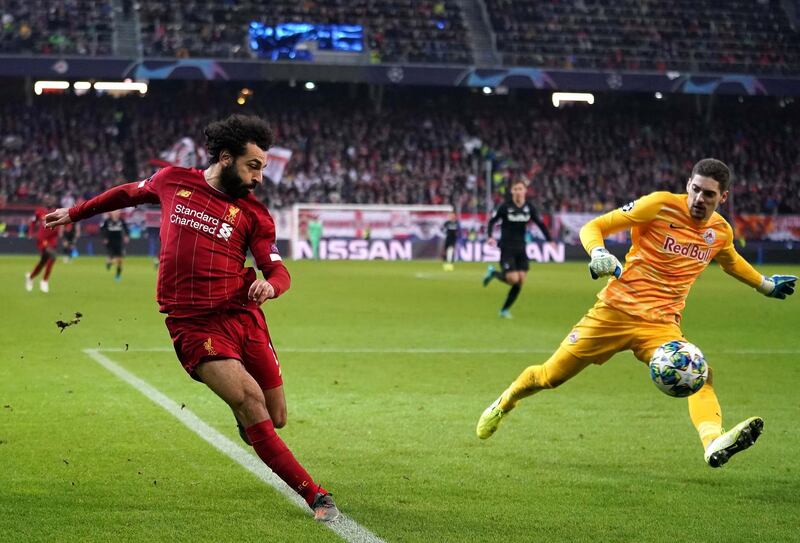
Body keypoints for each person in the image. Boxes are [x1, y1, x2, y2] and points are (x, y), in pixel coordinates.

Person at [45, 114, 340, 521]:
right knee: (251, 402)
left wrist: (272, 286)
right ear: (225, 157)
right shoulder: (172, 181)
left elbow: (277, 269)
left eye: (263, 168)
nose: (258, 177)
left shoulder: (254, 214)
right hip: (194, 324)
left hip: (244, 317)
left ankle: (249, 424)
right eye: (252, 166)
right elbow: (128, 193)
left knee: (277, 417)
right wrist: (76, 212)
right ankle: (316, 496)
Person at [476, 158, 797, 468]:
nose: (699, 198)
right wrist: (598, 251)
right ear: (688, 184)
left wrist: (765, 285)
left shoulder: (720, 232)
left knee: (701, 374)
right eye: (695, 189)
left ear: (723, 197)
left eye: (709, 194)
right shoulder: (658, 205)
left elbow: (731, 261)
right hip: (614, 312)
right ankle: (505, 402)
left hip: (661, 325)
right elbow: (595, 226)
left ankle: (713, 441)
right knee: (549, 376)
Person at [482, 179, 552, 318]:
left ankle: (504, 310)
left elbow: (540, 224)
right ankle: (493, 274)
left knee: (521, 280)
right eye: (516, 189)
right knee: (513, 279)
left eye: (521, 189)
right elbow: (492, 221)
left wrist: (550, 240)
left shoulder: (529, 207)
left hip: (521, 247)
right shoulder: (505, 207)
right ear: (512, 191)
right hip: (507, 247)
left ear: (525, 191)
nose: (518, 192)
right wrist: (490, 236)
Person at [25, 195, 60, 293]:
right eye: (47, 199)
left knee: (43, 262)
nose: (49, 201)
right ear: (44, 201)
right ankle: (44, 281)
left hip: (52, 239)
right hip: (42, 239)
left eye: (51, 200)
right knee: (53, 256)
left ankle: (30, 277)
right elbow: (33, 222)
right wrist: (30, 232)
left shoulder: (57, 212)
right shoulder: (39, 211)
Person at [101, 210, 129, 281]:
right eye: (115, 212)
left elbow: (126, 229)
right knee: (110, 259)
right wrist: (104, 238)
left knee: (120, 261)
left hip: (119, 242)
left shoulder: (121, 221)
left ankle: (118, 276)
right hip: (110, 243)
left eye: (118, 212)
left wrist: (126, 236)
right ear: (111, 213)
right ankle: (109, 263)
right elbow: (103, 230)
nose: (116, 213)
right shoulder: (107, 221)